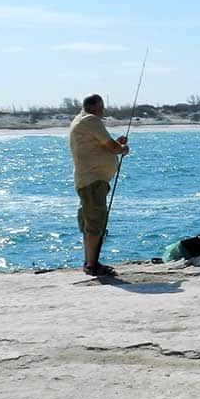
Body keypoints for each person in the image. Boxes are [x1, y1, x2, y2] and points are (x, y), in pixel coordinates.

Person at [69, 94, 129, 276]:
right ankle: (92, 265)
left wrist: (116, 145)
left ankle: (90, 262)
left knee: (90, 223)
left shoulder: (80, 120)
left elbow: (99, 146)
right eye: (101, 106)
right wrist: (121, 149)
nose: (103, 110)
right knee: (95, 223)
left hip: (87, 180)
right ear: (95, 107)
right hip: (92, 181)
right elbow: (111, 147)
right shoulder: (91, 120)